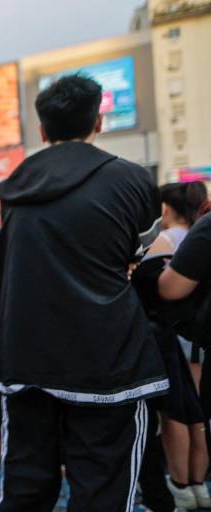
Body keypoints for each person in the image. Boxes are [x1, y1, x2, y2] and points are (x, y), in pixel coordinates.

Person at [0, 75, 166, 510]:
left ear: (43, 131)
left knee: (25, 490)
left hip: (25, 359)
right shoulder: (133, 180)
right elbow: (139, 254)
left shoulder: (16, 188)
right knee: (104, 490)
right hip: (108, 360)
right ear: (99, 121)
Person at [141, 182, 211, 510]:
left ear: (166, 208)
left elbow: (163, 289)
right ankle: (198, 483)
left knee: (175, 414)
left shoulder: (166, 239)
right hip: (197, 339)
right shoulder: (195, 233)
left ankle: (180, 485)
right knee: (197, 413)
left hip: (176, 336)